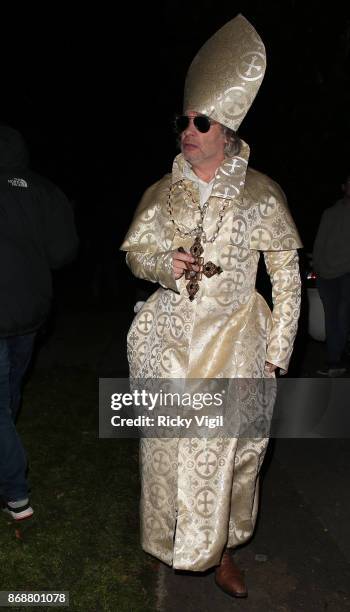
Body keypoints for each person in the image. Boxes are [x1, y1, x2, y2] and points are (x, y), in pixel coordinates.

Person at [121, 15, 302, 599]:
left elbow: (286, 274)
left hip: (237, 341)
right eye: (184, 122)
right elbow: (135, 256)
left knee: (230, 456)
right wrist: (159, 266)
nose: (189, 132)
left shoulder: (261, 193)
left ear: (226, 131)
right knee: (169, 450)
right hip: (169, 344)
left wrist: (278, 352)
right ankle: (172, 541)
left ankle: (221, 551)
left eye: (201, 123)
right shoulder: (160, 191)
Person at [0, 125, 79, 520]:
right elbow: (64, 252)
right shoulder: (44, 190)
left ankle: (16, 493)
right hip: (30, 314)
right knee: (9, 392)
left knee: (2, 401)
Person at [313, 175, 350, 376]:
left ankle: (334, 361)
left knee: (342, 316)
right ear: (344, 186)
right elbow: (320, 241)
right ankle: (337, 356)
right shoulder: (330, 213)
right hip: (326, 274)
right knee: (331, 317)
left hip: (347, 273)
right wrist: (317, 267)